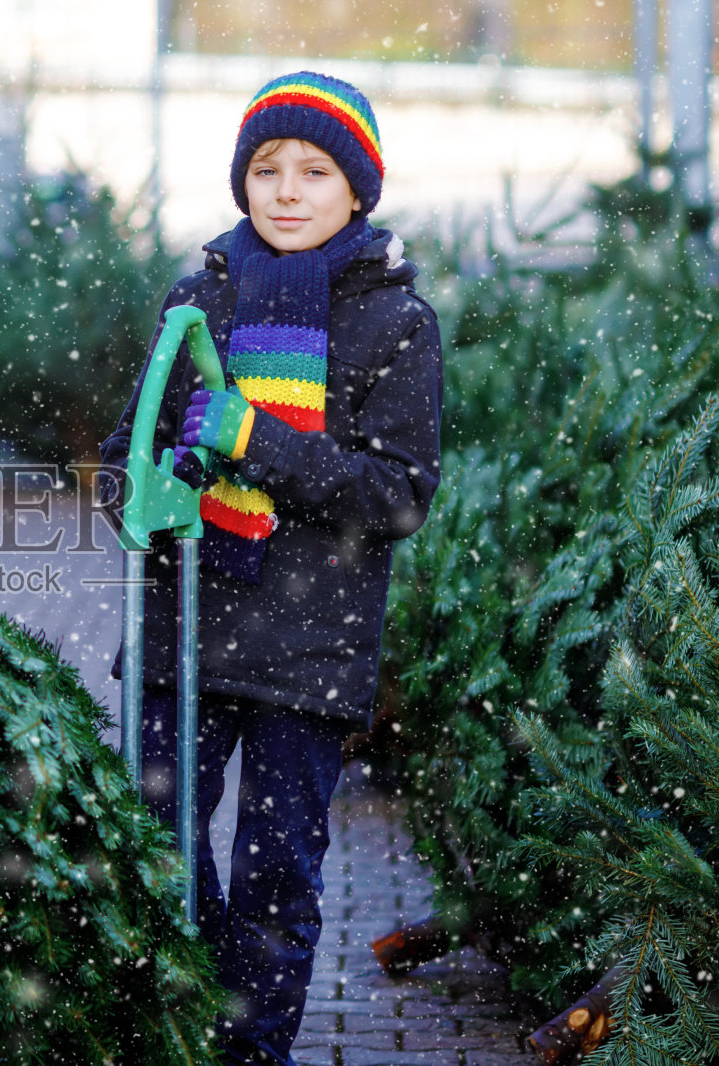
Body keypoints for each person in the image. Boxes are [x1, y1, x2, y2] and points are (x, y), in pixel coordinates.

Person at [97, 72, 442, 1065]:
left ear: (357, 190)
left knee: (275, 872)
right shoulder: (197, 297)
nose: (286, 190)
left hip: (308, 644)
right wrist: (145, 499)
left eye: (314, 170)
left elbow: (397, 495)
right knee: (151, 839)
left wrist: (256, 441)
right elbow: (130, 451)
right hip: (184, 628)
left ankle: (250, 1051)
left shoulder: (394, 322)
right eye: (265, 168)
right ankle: (203, 1008)